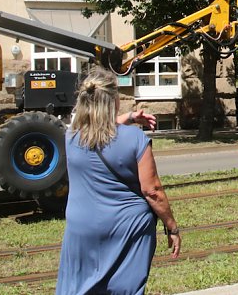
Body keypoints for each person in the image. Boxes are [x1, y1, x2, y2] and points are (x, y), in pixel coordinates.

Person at [57, 68, 181, 295]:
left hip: (81, 226)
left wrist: (129, 118)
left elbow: (101, 132)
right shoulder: (135, 139)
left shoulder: (71, 137)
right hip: (127, 229)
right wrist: (172, 226)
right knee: (123, 288)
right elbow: (152, 191)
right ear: (113, 100)